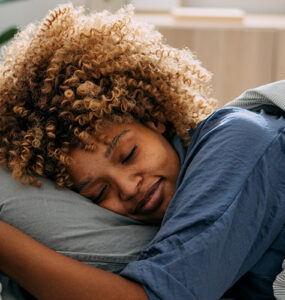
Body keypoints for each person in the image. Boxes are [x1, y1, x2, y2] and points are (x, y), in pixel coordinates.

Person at [0, 3, 284, 300]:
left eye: (128, 154)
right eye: (99, 194)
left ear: (154, 119)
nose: (127, 188)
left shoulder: (238, 140)